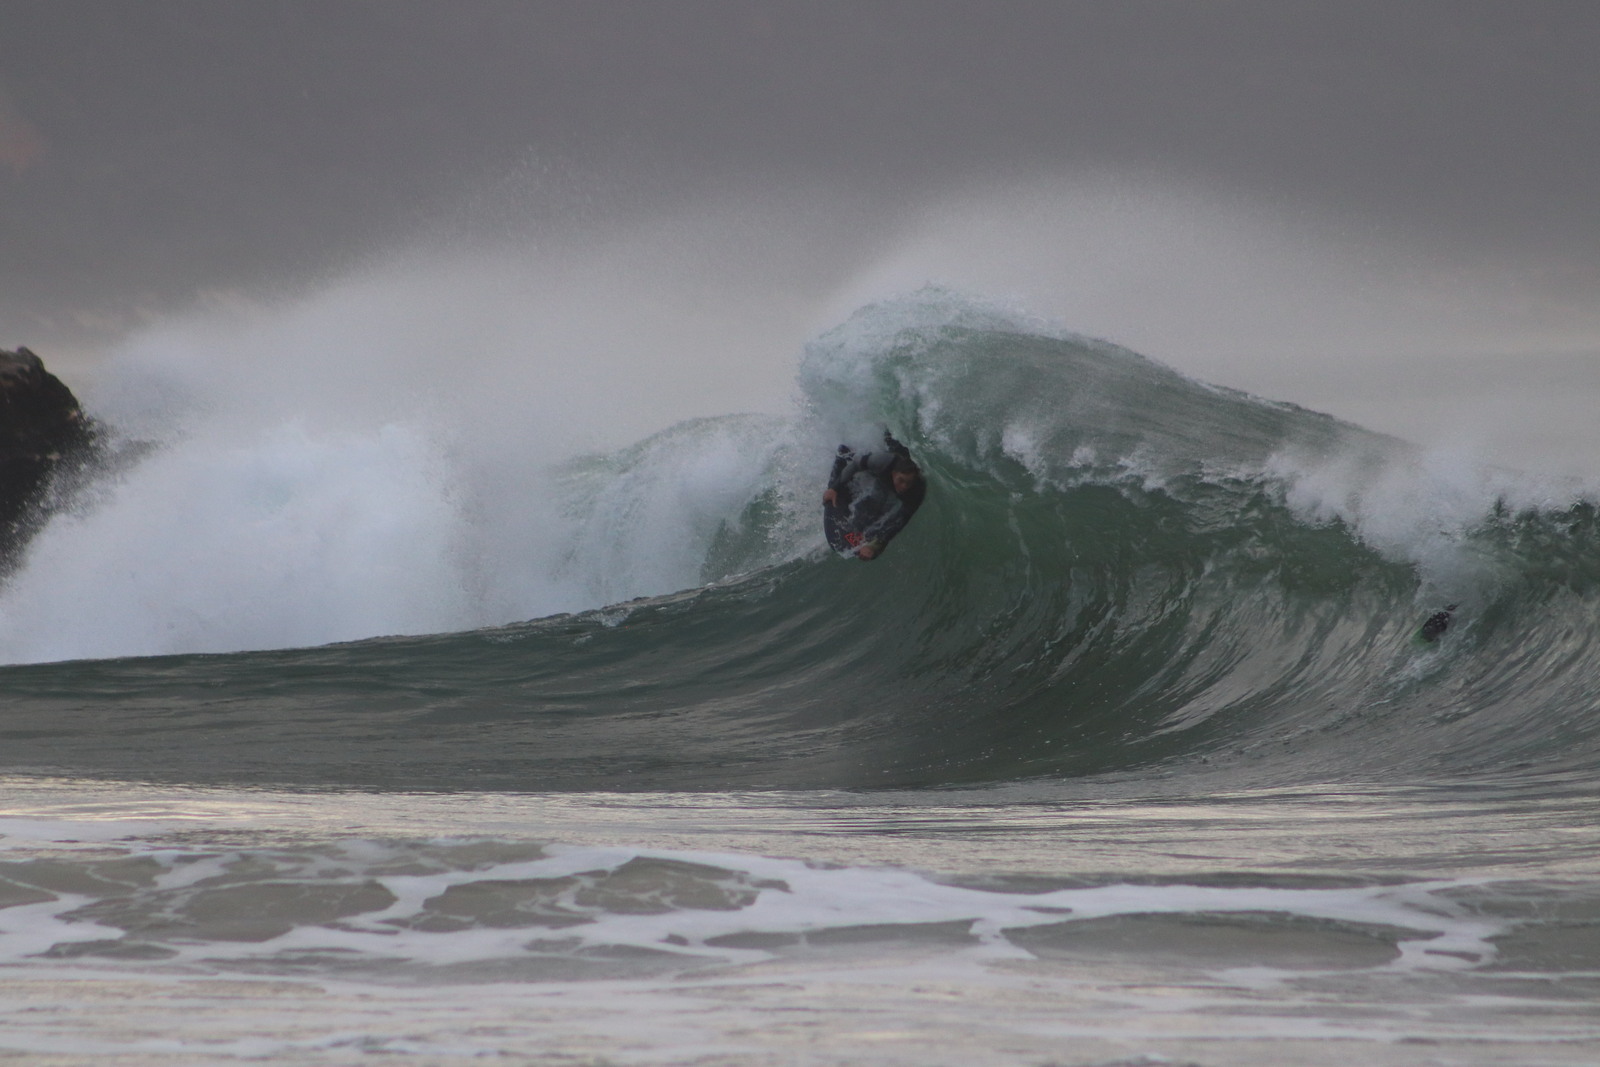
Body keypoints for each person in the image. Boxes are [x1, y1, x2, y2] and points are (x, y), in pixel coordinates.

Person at [823, 431, 926, 559]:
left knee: (878, 519)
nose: (904, 486)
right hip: (881, 468)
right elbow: (856, 464)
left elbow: (900, 521)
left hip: (891, 479)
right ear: (894, 474)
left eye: (908, 483)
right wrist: (834, 488)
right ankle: (846, 452)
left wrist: (876, 544)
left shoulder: (917, 490)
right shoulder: (885, 461)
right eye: (901, 481)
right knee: (835, 491)